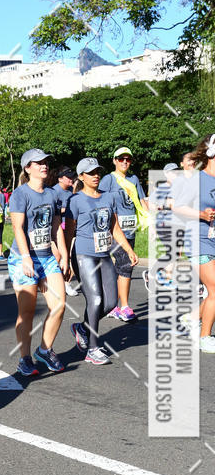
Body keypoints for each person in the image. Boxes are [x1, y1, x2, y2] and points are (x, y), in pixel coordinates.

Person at [65, 157, 139, 365]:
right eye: (91, 172)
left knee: (111, 302)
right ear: (81, 176)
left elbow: (114, 228)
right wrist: (66, 261)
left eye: (98, 171)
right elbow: (69, 233)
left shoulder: (108, 198)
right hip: (83, 255)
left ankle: (82, 328)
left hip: (104, 254)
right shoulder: (75, 200)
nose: (96, 175)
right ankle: (93, 349)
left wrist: (128, 249)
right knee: (95, 300)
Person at [8, 150, 67, 375]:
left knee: (59, 304)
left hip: (47, 257)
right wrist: (25, 258)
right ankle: (24, 358)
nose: (44, 166)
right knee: (27, 312)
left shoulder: (52, 194)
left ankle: (44, 349)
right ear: (27, 168)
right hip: (24, 257)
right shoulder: (20, 194)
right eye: (38, 163)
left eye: (45, 162)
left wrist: (63, 253)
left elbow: (55, 227)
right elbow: (17, 228)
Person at [171, 134, 215, 352]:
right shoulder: (197, 179)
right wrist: (201, 214)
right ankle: (204, 337)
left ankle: (191, 317)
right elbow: (177, 206)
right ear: (211, 153)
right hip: (197, 240)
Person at [98, 147, 148, 321]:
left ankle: (112, 305)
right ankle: (124, 307)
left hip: (131, 231)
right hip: (114, 231)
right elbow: (100, 201)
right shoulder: (108, 180)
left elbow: (142, 202)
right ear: (114, 161)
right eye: (121, 159)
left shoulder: (134, 179)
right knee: (125, 264)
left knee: (123, 267)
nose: (125, 162)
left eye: (128, 159)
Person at [52, 166, 79, 296]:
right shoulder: (54, 192)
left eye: (72, 176)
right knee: (59, 256)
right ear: (60, 179)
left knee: (71, 255)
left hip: (71, 227)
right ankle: (57, 282)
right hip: (58, 229)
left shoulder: (70, 191)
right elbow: (53, 211)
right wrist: (67, 210)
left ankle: (66, 283)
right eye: (68, 177)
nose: (71, 179)